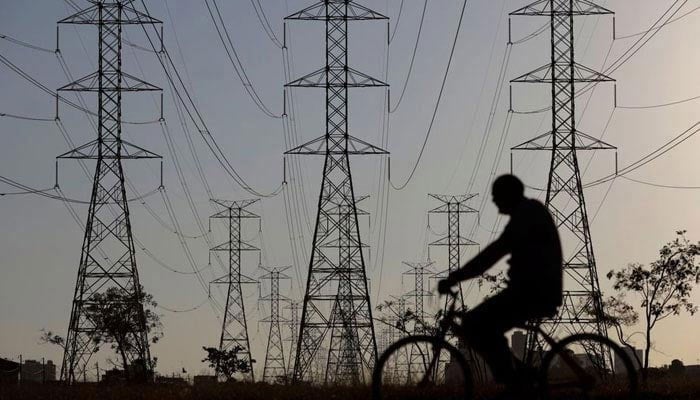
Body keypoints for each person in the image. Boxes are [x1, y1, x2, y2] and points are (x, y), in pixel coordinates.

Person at [437, 174, 563, 388]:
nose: (494, 201)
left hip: (532, 293)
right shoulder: (527, 213)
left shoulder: (526, 216)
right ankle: (518, 376)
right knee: (480, 325)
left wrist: (456, 276)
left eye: (497, 196)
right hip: (532, 290)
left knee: (475, 323)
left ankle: (512, 380)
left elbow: (493, 253)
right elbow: (495, 252)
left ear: (508, 195)